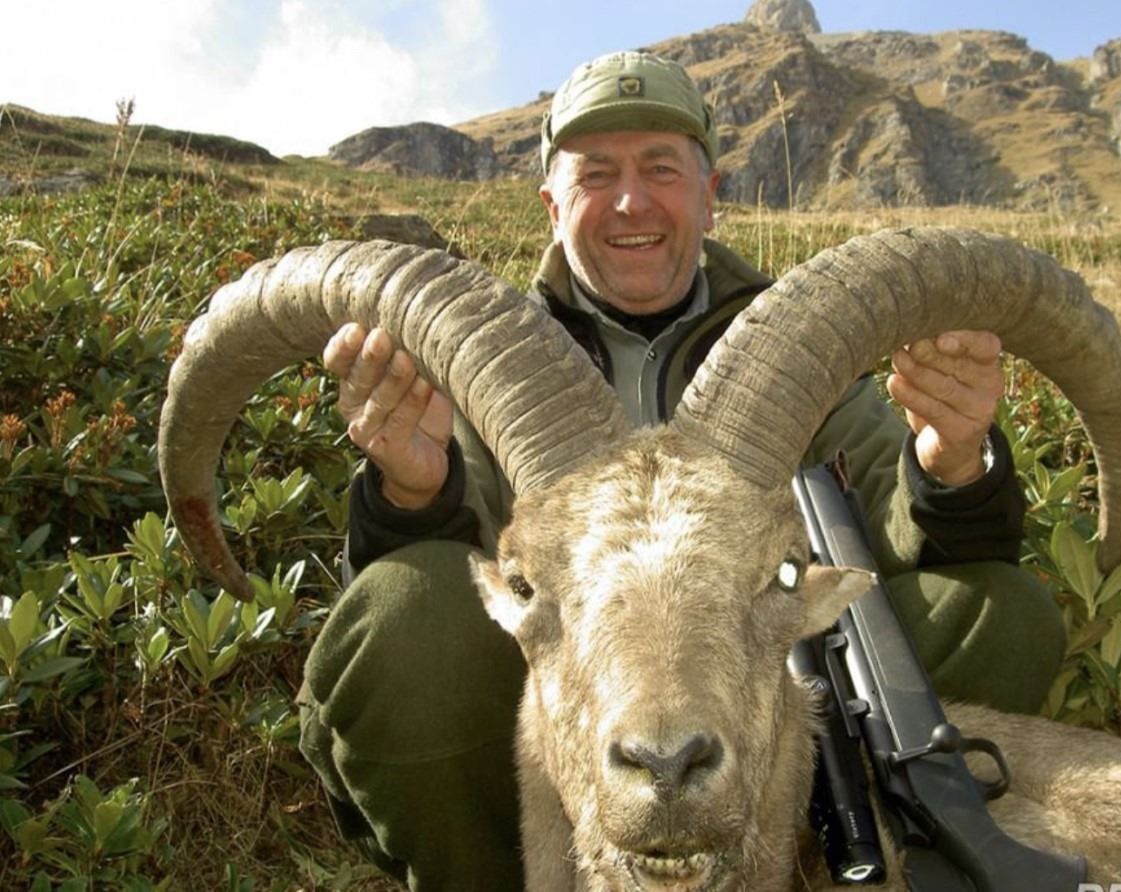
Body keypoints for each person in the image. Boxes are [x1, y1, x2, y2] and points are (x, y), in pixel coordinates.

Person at [297, 50, 1066, 890]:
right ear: (553, 204)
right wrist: (415, 493)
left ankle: (863, 844)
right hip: (562, 713)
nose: (632, 200)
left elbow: (898, 534)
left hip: (772, 685)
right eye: (597, 174)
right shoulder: (491, 359)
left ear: (710, 193)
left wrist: (950, 464)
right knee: (402, 614)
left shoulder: (795, 350)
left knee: (1002, 613)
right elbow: (446, 596)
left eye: (661, 168)